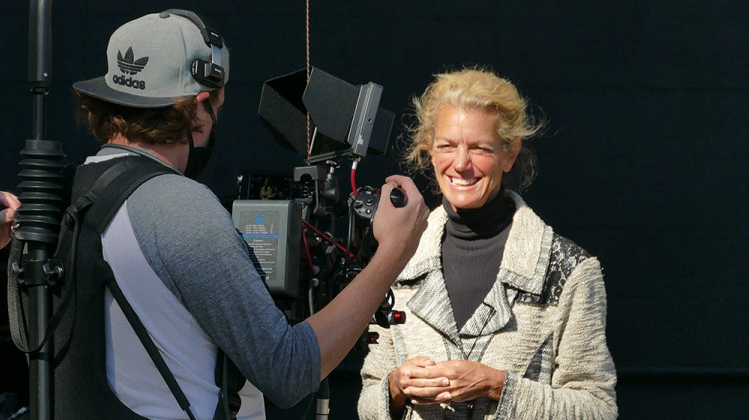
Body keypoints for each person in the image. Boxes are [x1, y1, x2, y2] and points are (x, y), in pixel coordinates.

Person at [65, 9, 428, 419]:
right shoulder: (181, 206)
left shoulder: (61, 197)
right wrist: (391, 254)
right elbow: (288, 371)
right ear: (200, 107)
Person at [358, 68, 617, 419]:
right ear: (429, 151)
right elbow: (368, 397)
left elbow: (597, 409)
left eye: (479, 148)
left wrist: (496, 385)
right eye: (447, 146)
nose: (461, 164)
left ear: (510, 153)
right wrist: (395, 386)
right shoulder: (397, 259)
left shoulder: (568, 271)